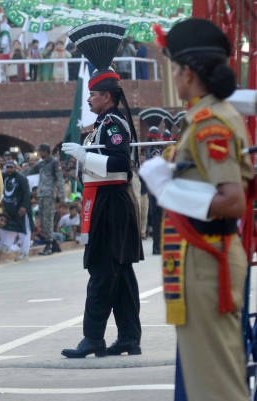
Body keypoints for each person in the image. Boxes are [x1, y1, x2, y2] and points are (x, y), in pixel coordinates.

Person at [139, 19, 253, 401]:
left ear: (188, 72)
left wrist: (168, 191)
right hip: (200, 259)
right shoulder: (206, 116)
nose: (174, 76)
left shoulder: (211, 123)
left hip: (207, 261)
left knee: (215, 386)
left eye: (174, 68)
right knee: (211, 379)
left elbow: (232, 200)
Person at [61, 22, 143, 358]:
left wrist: (83, 155)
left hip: (111, 203)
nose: (90, 100)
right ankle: (128, 338)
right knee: (119, 274)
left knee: (103, 272)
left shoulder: (113, 124)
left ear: (106, 96)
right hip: (106, 202)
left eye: (93, 95)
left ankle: (93, 337)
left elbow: (121, 163)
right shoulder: (103, 124)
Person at [22, 143, 64, 255]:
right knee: (43, 221)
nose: (39, 153)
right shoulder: (41, 164)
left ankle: (49, 246)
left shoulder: (54, 162)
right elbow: (29, 171)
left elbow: (60, 179)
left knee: (48, 220)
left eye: (40, 151)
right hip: (40, 195)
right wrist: (16, 174)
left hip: (49, 194)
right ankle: (53, 244)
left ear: (46, 151)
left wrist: (62, 195)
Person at [0, 160, 32, 261]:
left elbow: (27, 193)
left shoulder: (21, 178)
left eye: (11, 167)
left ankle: (24, 253)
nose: (9, 169)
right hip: (9, 209)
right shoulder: (3, 176)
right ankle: (6, 248)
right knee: (6, 228)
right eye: (7, 167)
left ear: (15, 167)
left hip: (20, 209)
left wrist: (24, 206)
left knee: (24, 231)